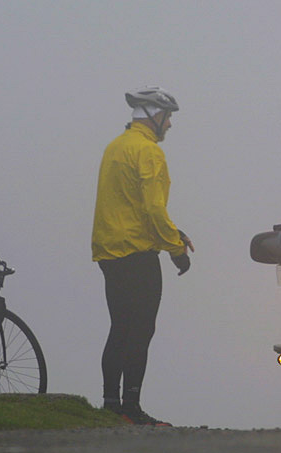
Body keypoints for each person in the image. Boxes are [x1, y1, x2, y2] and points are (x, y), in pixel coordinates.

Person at [91, 86, 193, 426]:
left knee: (119, 327)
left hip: (109, 250)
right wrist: (176, 249)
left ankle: (110, 405)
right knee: (141, 330)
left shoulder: (115, 147)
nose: (170, 125)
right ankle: (131, 408)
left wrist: (173, 234)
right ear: (155, 116)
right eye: (169, 118)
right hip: (137, 253)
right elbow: (152, 208)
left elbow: (129, 204)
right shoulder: (148, 152)